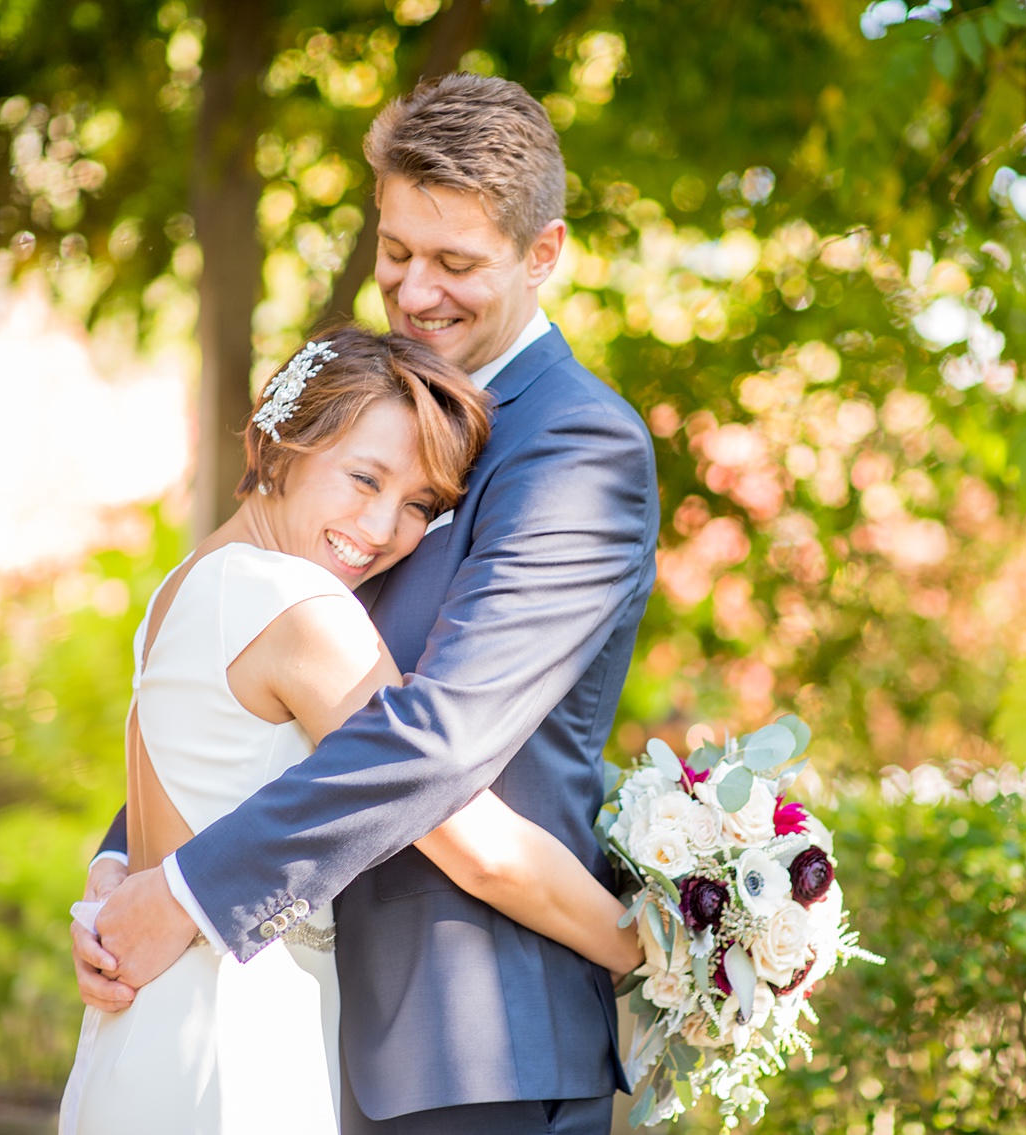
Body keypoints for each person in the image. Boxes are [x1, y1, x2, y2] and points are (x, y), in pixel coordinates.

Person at [76, 73, 660, 1135]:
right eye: (395, 253)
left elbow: (438, 738)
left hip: (469, 1042)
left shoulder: (577, 448)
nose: (415, 290)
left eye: (455, 263)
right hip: (306, 1028)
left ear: (542, 255)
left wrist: (192, 892)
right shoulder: (378, 414)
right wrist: (128, 866)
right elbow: (255, 665)